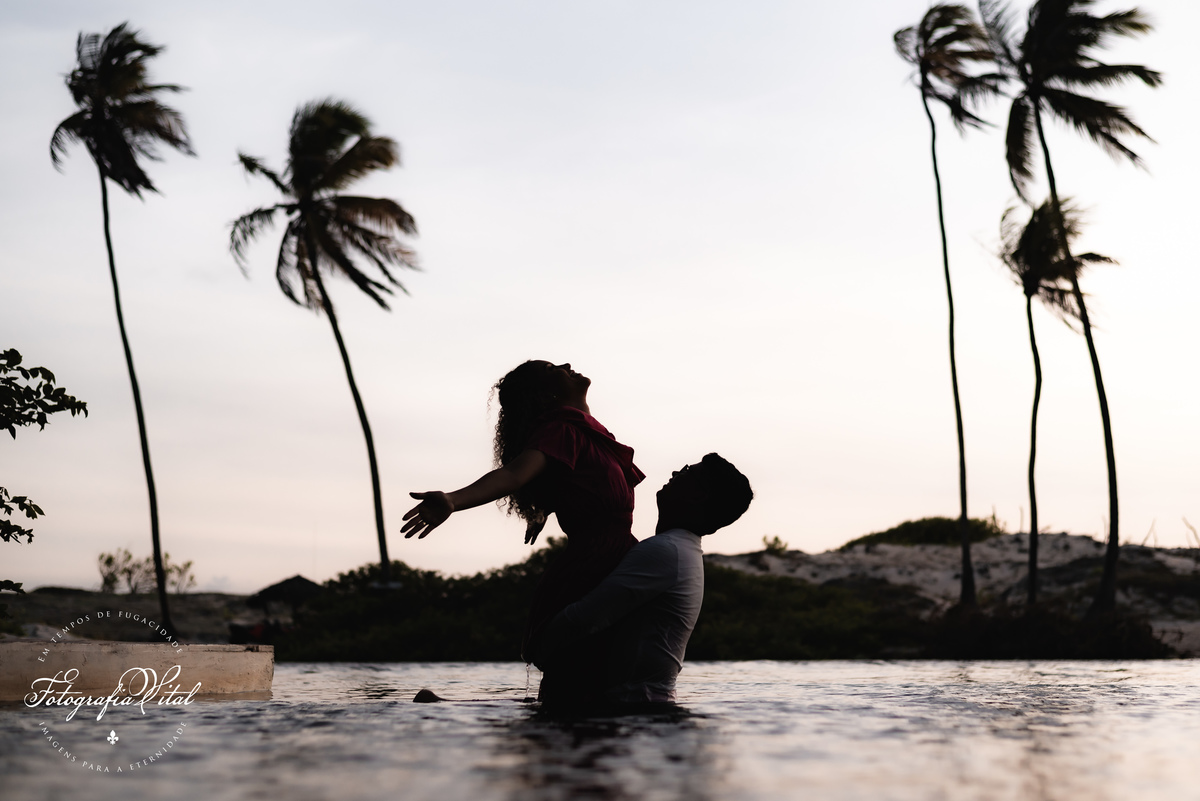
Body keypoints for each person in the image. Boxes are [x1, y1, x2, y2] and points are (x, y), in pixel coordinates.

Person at [401, 360, 645, 657]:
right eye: (551, 368)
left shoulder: (584, 433)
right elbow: (513, 475)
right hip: (595, 564)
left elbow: (576, 481)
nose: (566, 364)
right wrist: (453, 500)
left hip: (617, 557)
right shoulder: (561, 430)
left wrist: (548, 506)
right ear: (544, 395)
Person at [530, 453, 753, 708]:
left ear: (699, 495)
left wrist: (536, 647)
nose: (675, 473)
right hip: (644, 710)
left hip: (633, 710)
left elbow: (585, 618)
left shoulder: (666, 551)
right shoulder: (680, 551)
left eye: (688, 471)